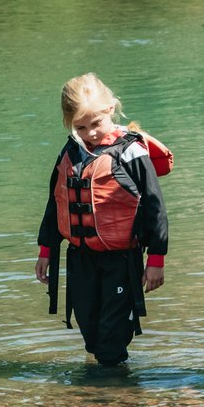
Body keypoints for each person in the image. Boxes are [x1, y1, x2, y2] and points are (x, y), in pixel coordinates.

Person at [35, 74, 169, 368]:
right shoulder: (70, 152)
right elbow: (54, 203)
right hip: (81, 258)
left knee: (111, 337)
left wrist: (156, 259)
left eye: (95, 124)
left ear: (110, 109)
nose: (90, 133)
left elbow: (155, 207)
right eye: (80, 127)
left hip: (121, 260)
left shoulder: (131, 152)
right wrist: (46, 251)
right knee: (92, 335)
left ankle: (113, 400)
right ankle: (106, 390)